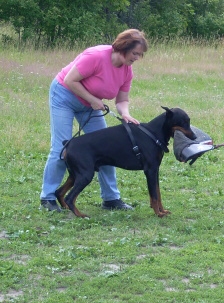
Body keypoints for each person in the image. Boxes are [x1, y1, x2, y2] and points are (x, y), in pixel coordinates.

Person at [40, 29, 148, 212]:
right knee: (61, 147)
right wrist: (92, 100)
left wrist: (125, 114)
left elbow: (121, 100)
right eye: (135, 53)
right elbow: (70, 80)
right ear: (123, 48)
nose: (137, 58)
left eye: (140, 55)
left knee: (105, 148)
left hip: (90, 105)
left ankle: (111, 199)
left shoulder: (127, 72)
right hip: (64, 96)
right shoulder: (96, 56)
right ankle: (48, 198)